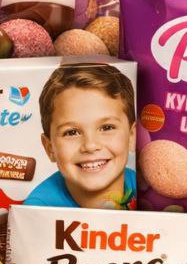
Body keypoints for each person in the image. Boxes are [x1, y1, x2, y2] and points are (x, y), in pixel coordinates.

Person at [25, 63, 137, 209]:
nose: (90, 145)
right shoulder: (38, 211)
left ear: (132, 136)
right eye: (72, 132)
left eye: (107, 127)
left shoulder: (142, 187)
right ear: (49, 148)